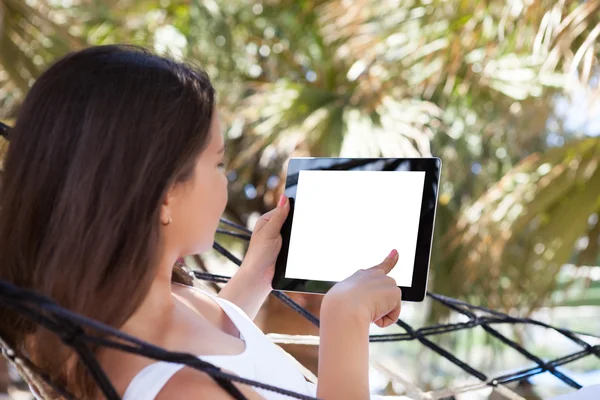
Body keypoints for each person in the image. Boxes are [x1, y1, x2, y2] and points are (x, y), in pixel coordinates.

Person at [0, 45, 403, 399]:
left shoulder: (128, 306)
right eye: (218, 162)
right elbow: (192, 373)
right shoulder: (184, 389)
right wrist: (344, 320)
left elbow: (213, 345)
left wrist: (257, 274)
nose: (224, 182)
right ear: (164, 194)